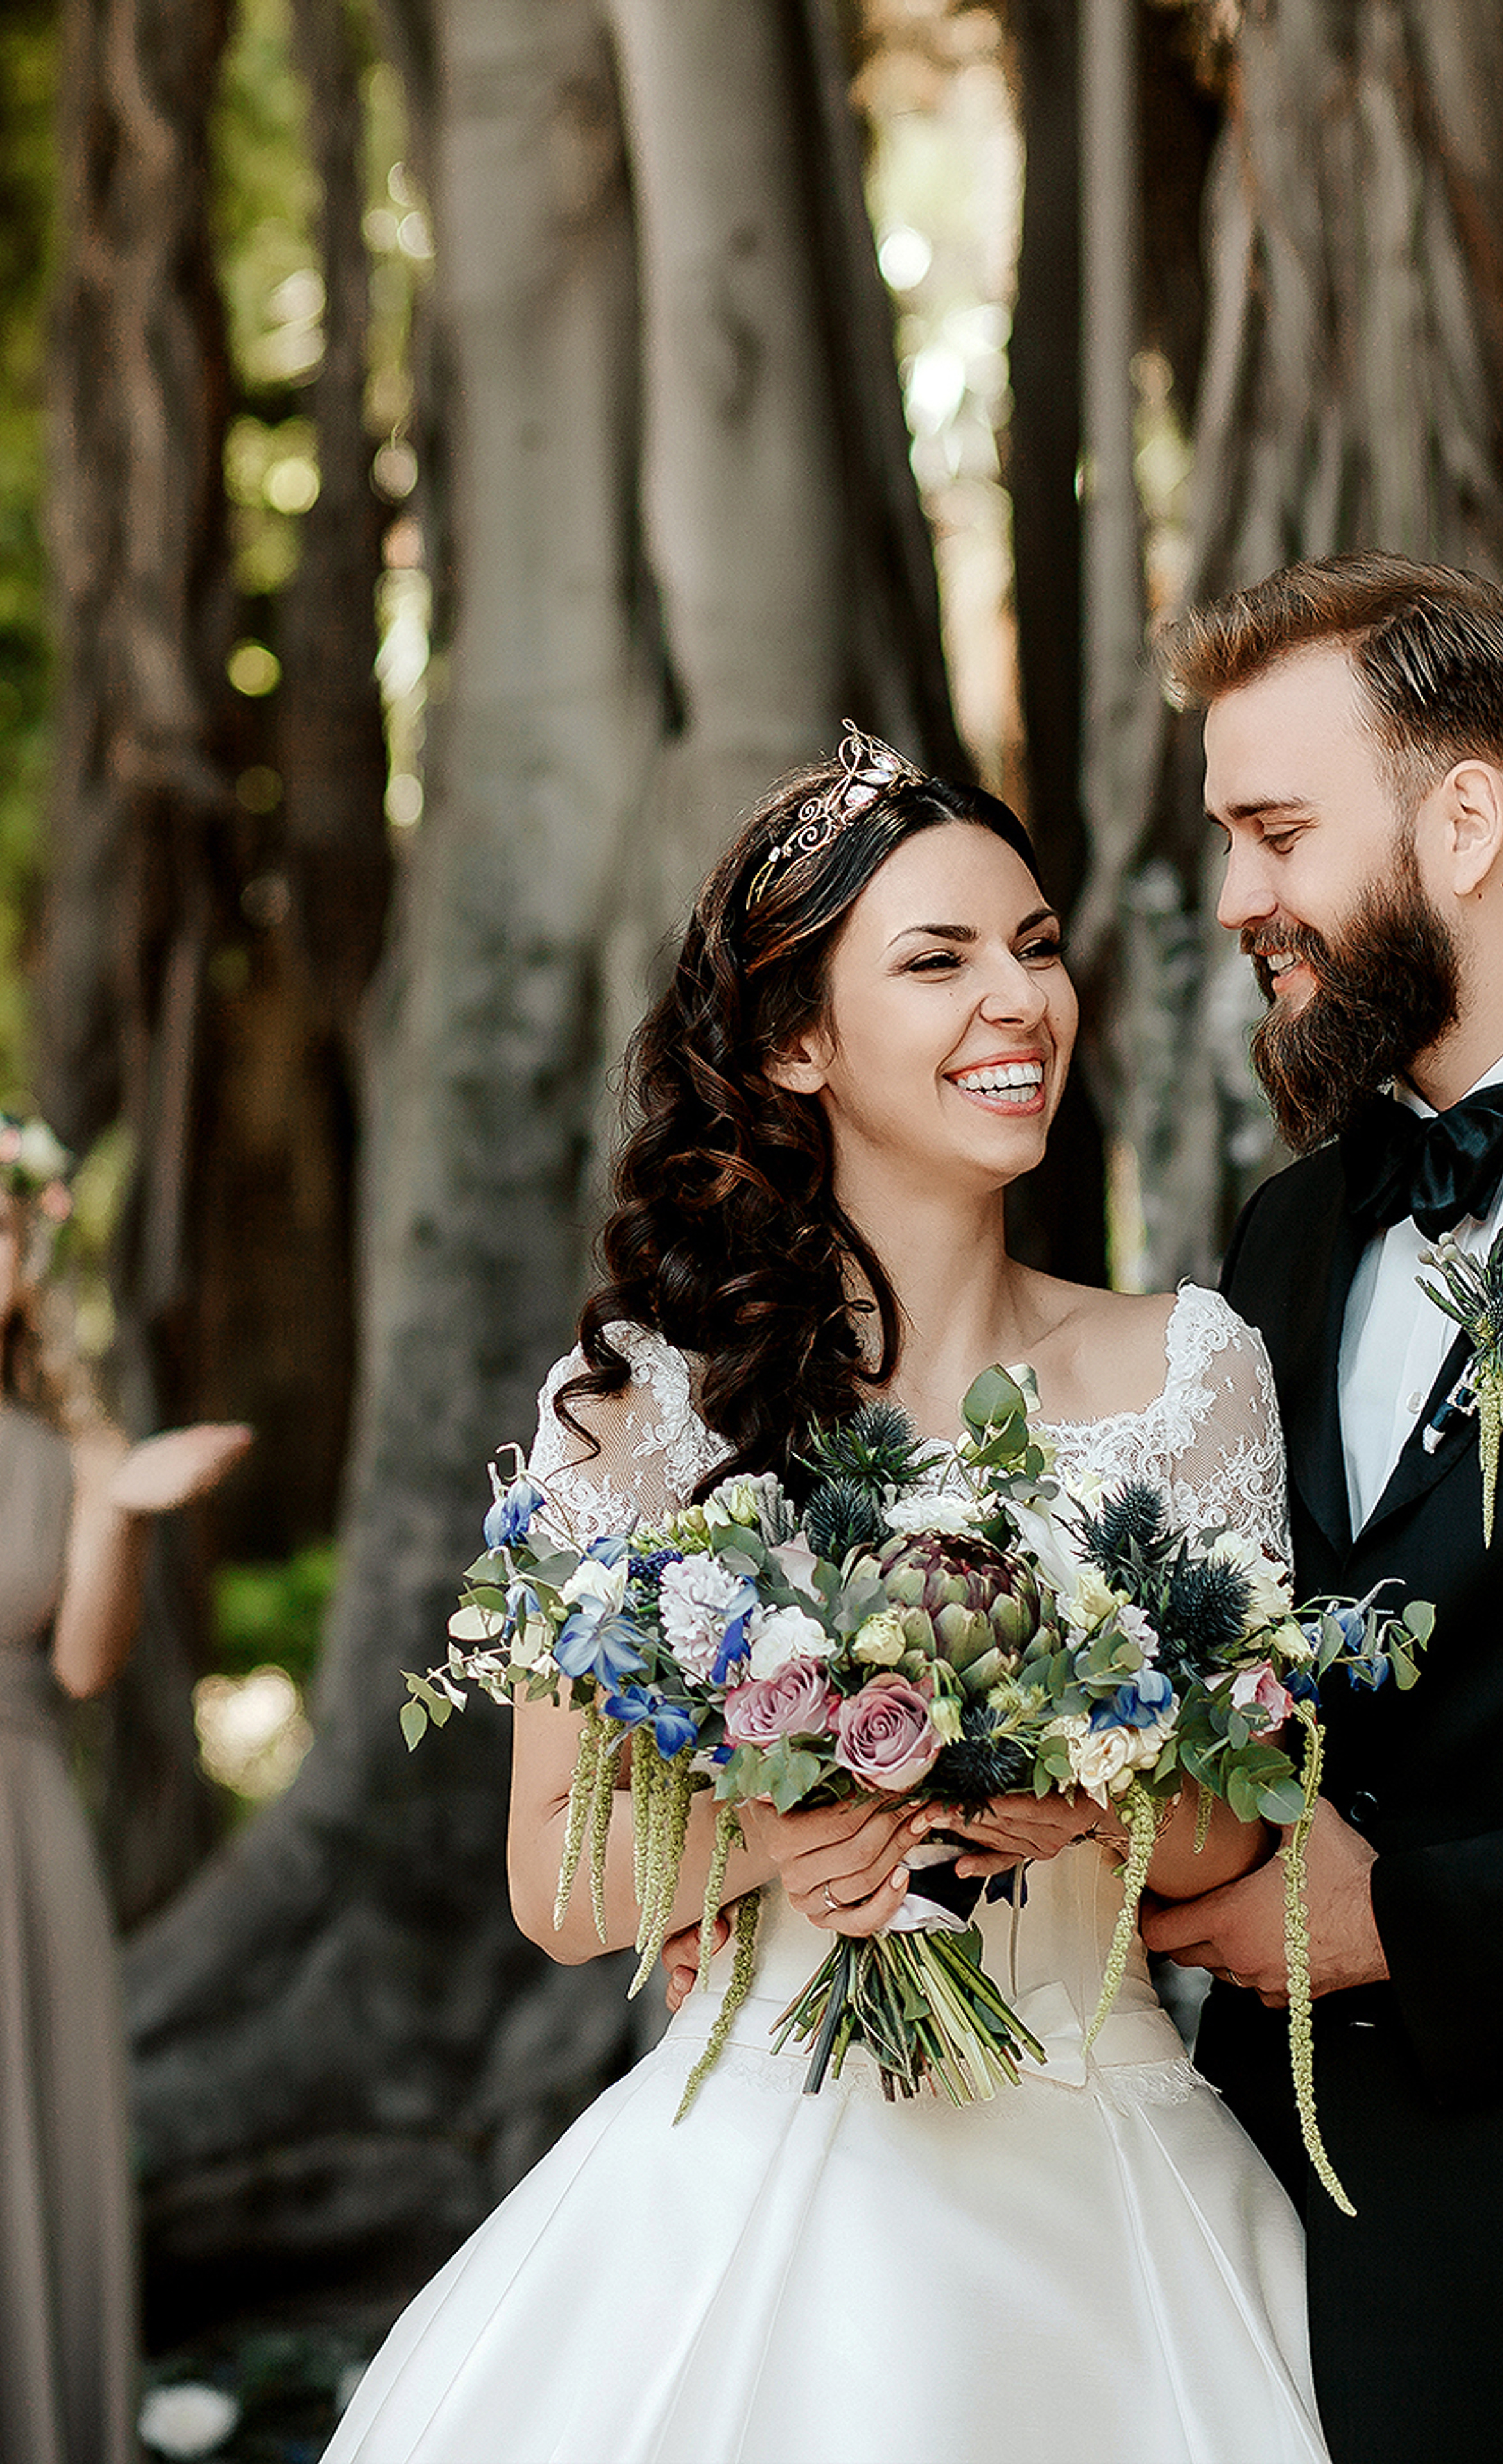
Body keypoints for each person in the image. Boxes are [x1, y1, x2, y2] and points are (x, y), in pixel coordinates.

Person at [325, 731, 1326, 2464]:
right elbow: (556, 1880)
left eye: (1033, 945)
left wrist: (1081, 1787)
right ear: (797, 1042)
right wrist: (776, 1834)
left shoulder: (1188, 1369)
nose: (1017, 1000)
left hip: (1103, 2161)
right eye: (937, 961)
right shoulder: (641, 1411)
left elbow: (1232, 1839)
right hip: (753, 2154)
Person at [1139, 552, 1503, 2464]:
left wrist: (1413, 1927)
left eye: (1276, 833)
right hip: (1264, 2214)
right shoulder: (1286, 1236)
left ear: (1467, 821)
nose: (1233, 901)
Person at [0, 1095, 251, 2464]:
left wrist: (125, 1515)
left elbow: (84, 1667)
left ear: (26, 1261)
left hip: (20, 1837)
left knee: (15, 2140)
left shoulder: (84, 1461)